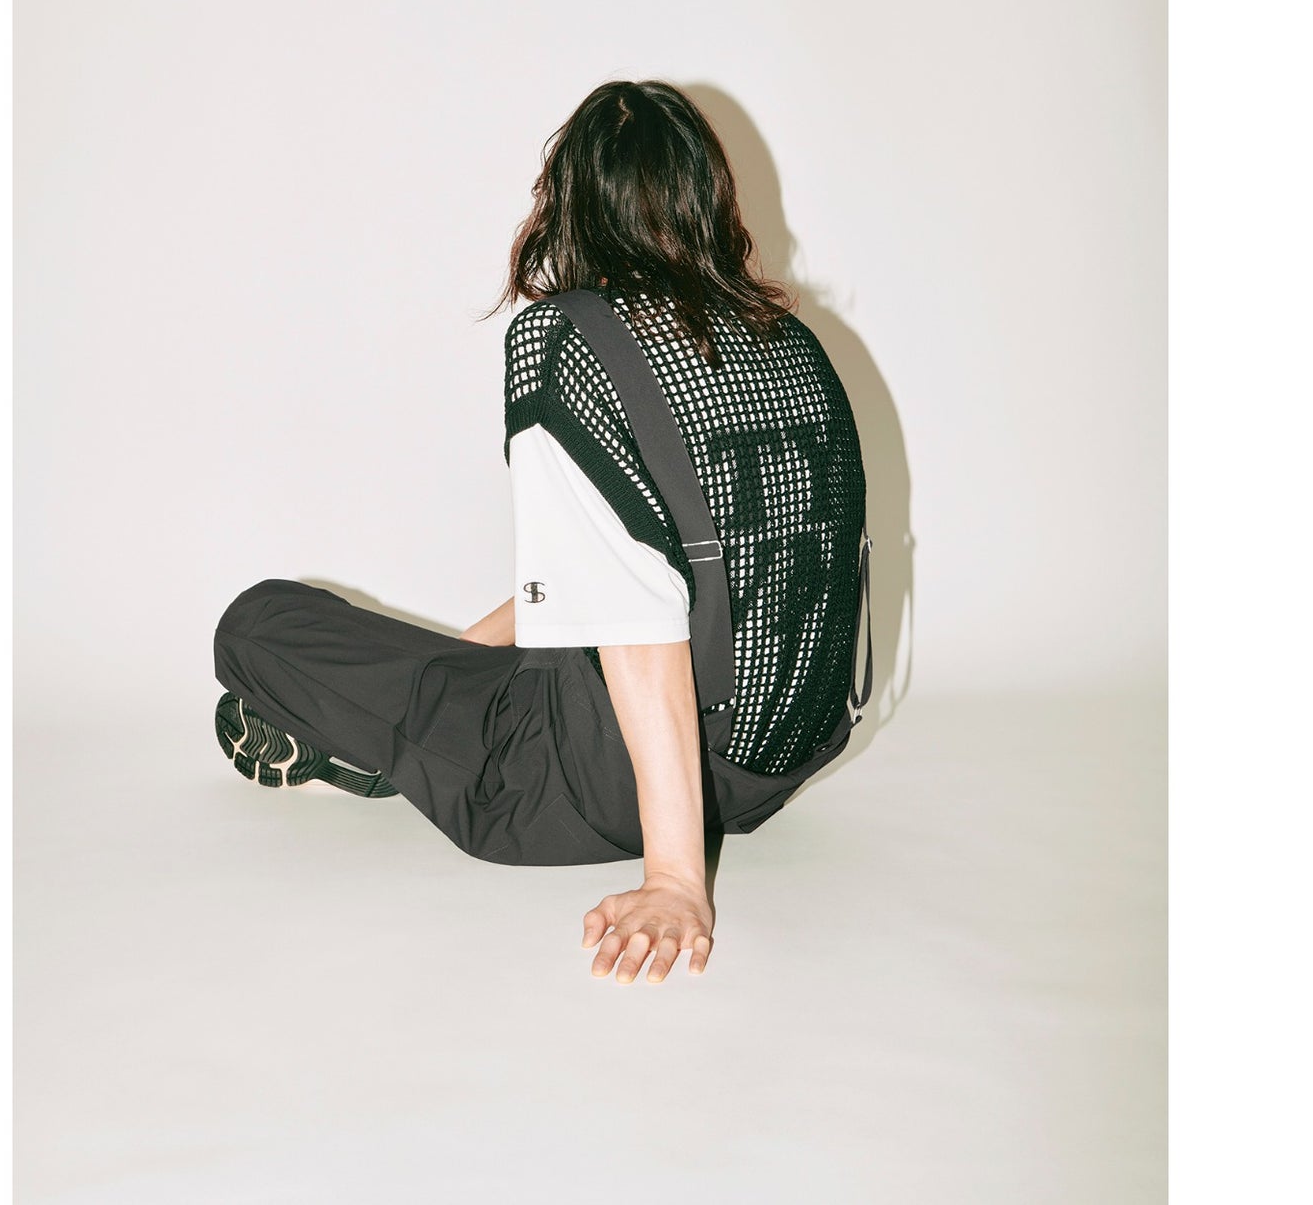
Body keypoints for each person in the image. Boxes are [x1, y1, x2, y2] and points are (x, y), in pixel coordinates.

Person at [212, 79, 868, 985]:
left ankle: (381, 738)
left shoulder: (569, 342)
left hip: (590, 789)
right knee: (448, 674)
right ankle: (398, 721)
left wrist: (676, 880)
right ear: (706, 194)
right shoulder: (788, 341)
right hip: (768, 772)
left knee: (258, 622)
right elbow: (632, 574)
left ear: (570, 202)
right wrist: (451, 659)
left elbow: (639, 622)